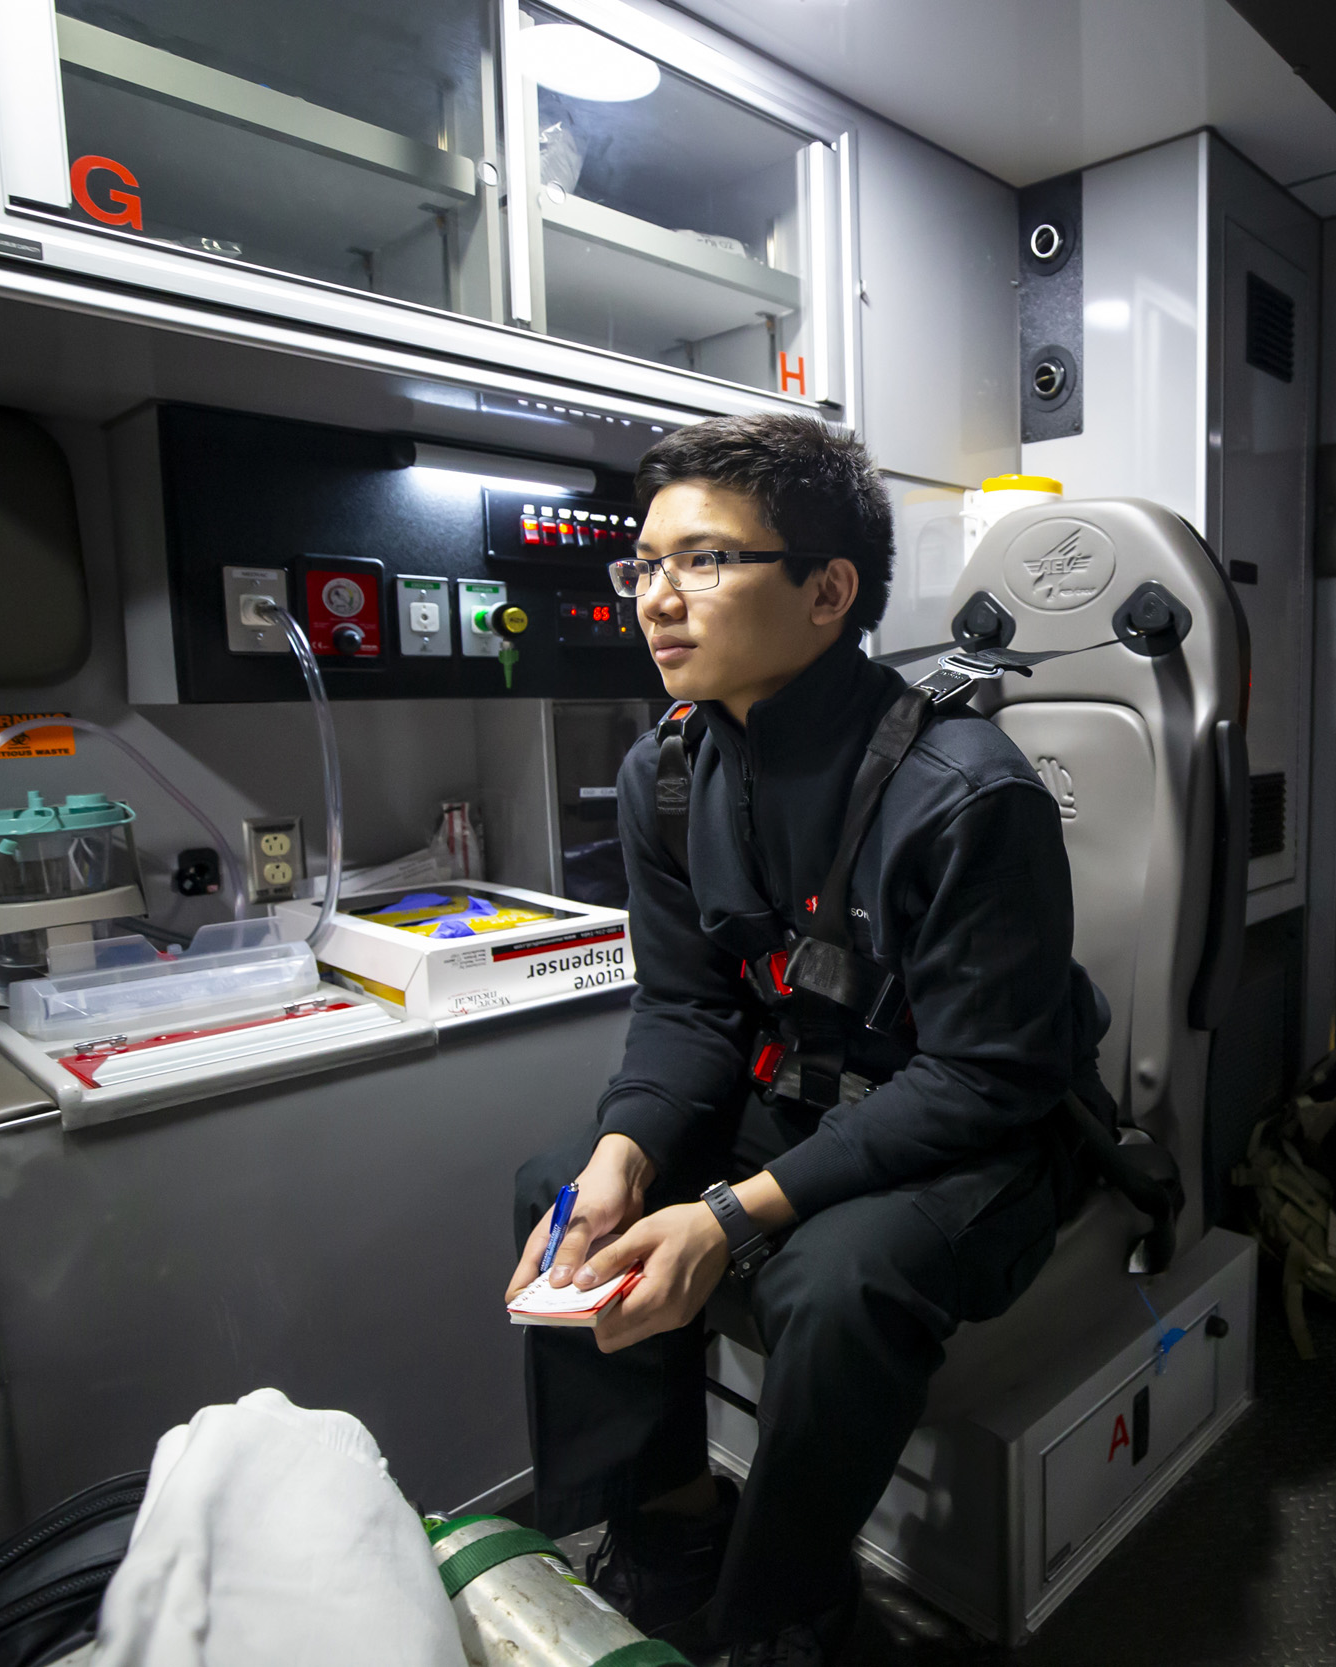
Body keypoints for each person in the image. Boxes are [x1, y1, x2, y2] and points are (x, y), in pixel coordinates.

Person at [506, 414, 1109, 1667]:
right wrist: (626, 1154)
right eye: (644, 565)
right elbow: (689, 1010)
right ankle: (671, 1527)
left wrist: (733, 1214)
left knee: (834, 1282)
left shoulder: (968, 791)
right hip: (816, 1097)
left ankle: (783, 1611)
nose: (656, 599)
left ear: (828, 590)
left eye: (704, 561)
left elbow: (985, 1074)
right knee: (564, 1193)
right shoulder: (667, 775)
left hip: (983, 1131)